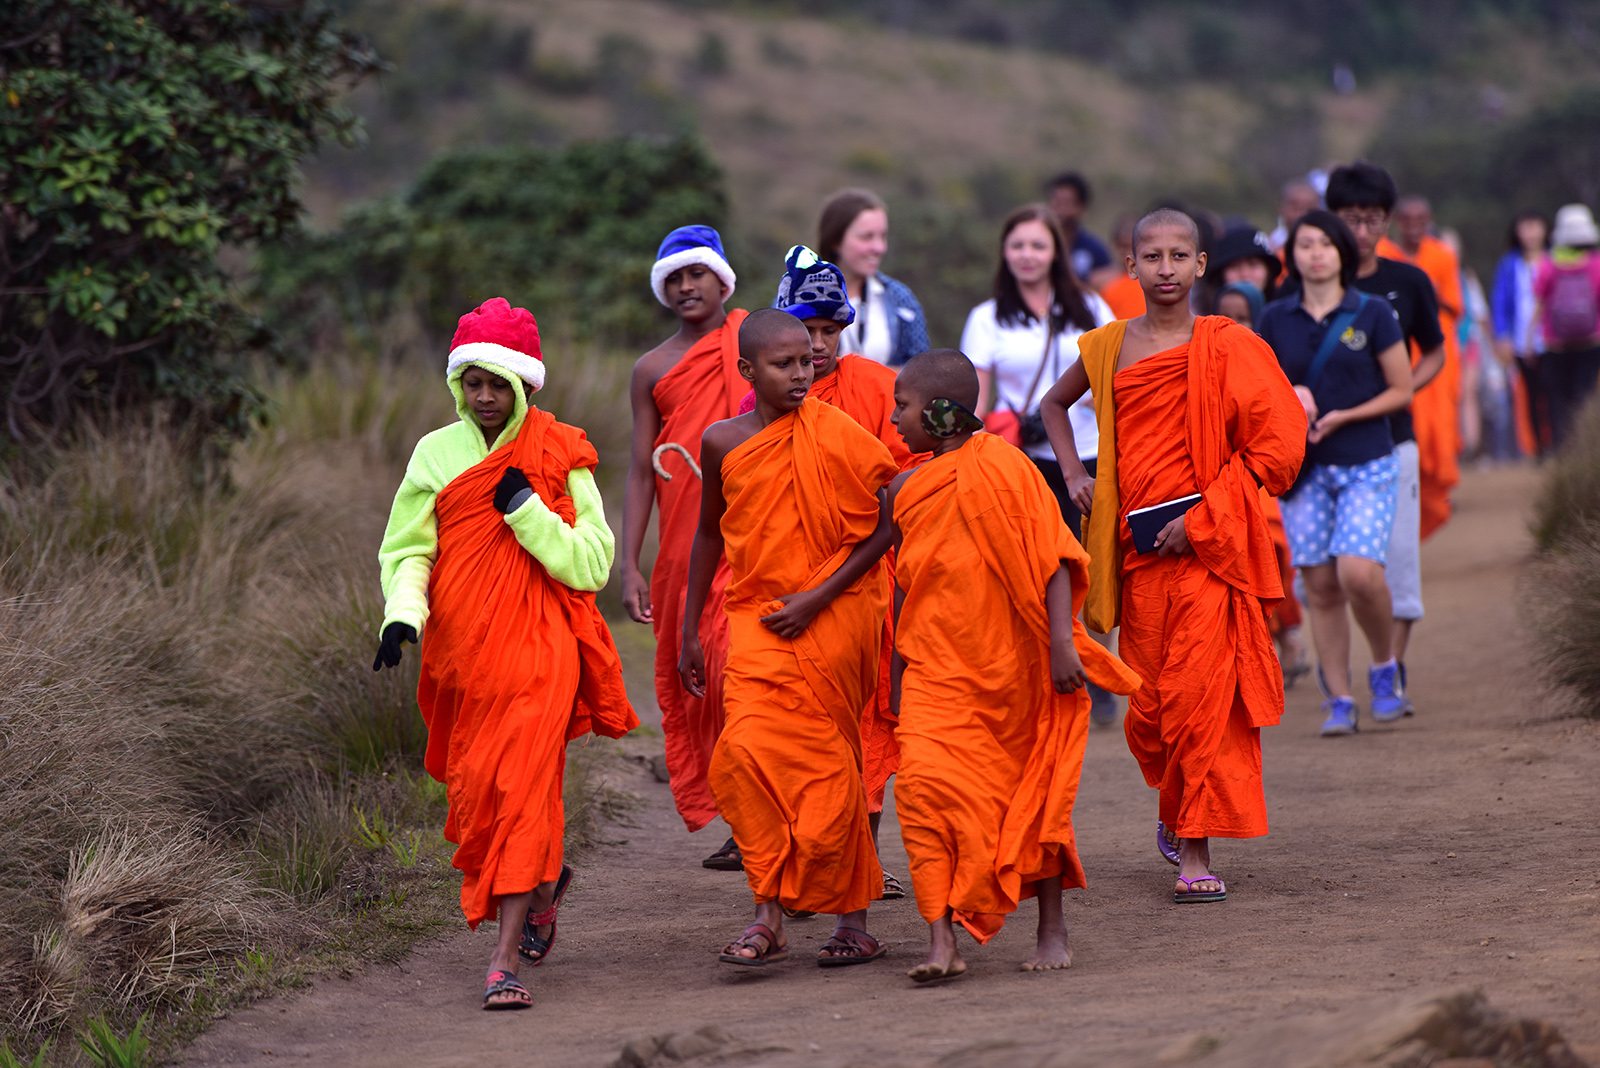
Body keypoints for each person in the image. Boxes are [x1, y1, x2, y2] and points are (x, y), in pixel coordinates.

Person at [375, 298, 638, 1010]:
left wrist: (526, 512)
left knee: (522, 792)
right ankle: (546, 888)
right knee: (486, 796)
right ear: (457, 384)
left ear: (527, 386)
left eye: (499, 383)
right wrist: (402, 617)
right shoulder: (435, 453)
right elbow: (408, 549)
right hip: (462, 658)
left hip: (541, 654)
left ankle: (501, 962)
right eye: (473, 382)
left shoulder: (561, 450)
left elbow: (592, 564)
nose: (485, 396)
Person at [1038, 208, 1306, 903]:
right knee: (1153, 710)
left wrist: (1211, 514)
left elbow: (1276, 444)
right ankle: (1176, 808)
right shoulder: (1107, 347)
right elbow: (1054, 405)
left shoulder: (1229, 344)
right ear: (1130, 267)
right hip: (1142, 555)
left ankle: (1195, 850)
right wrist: (1075, 475)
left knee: (1201, 700)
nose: (1164, 269)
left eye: (1178, 256)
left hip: (1213, 554)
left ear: (1200, 266)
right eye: (1150, 257)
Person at [885, 349, 1139, 982]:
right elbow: (902, 589)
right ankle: (941, 939)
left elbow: (1054, 557)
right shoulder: (907, 488)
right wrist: (894, 672)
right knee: (920, 795)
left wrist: (1061, 642)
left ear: (942, 413)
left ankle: (1052, 928)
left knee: (1033, 796)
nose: (893, 421)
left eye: (903, 407)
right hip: (933, 672)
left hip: (1013, 668)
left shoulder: (1009, 469)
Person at [680, 309, 898, 968]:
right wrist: (691, 627)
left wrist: (818, 598)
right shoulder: (722, 441)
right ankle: (768, 912)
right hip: (754, 616)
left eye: (807, 359)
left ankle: (852, 921)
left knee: (832, 768)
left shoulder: (840, 434)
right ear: (748, 371)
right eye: (786, 363)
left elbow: (887, 524)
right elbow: (709, 533)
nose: (803, 372)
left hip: (832, 617)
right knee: (743, 756)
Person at [753, 244, 929, 899]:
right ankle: (803, 859)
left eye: (830, 331)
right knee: (800, 726)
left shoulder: (879, 386)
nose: (819, 346)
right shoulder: (772, 393)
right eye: (807, 332)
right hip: (788, 579)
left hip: (872, 578)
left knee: (871, 726)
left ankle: (863, 859)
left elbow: (909, 468)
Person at [620, 225, 749, 867]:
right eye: (672, 278)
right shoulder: (652, 368)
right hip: (682, 542)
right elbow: (643, 468)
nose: (686, 286)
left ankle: (759, 807)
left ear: (722, 279)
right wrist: (629, 562)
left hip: (753, 534)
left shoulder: (755, 342)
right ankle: (734, 810)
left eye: (695, 273)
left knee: (740, 670)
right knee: (699, 676)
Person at [1257, 211, 1414, 736]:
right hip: (1302, 469)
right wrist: (1290, 398)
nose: (1316, 253)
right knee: (1320, 585)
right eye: (1305, 244)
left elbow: (1401, 390)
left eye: (1326, 243)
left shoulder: (1371, 313)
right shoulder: (1275, 319)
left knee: (1358, 573)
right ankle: (1339, 698)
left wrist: (1345, 414)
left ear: (1343, 251)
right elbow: (1257, 389)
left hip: (1367, 459)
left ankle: (1384, 666)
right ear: (1292, 254)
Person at [964, 204, 1119, 726]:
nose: (1027, 255)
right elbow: (978, 400)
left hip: (1090, 451)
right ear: (1004, 253)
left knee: (1095, 561)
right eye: (1017, 245)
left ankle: (1097, 668)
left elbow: (1115, 380)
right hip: (1023, 459)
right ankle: (1049, 665)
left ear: (1056, 251)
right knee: (1042, 564)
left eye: (1037, 245)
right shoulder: (986, 318)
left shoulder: (1092, 308)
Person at [1320, 163, 1448, 717]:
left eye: (1372, 219)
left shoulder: (1408, 282)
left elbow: (1436, 349)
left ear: (1387, 221)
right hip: (1321, 450)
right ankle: (1343, 683)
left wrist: (1406, 389)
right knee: (1330, 572)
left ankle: (1389, 671)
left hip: (1393, 441)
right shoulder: (1310, 285)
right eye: (1351, 219)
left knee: (1394, 561)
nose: (1362, 231)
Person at [1378, 194, 1462, 540]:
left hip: (1433, 349)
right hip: (1396, 350)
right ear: (1397, 221)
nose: (1414, 227)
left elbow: (1456, 307)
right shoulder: (1382, 253)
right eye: (1407, 220)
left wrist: (1422, 292)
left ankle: (1435, 490)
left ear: (1429, 221)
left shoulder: (1442, 255)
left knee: (1438, 422)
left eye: (1420, 220)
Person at [817, 188, 930, 366]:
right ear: (835, 241)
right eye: (866, 237)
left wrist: (869, 375)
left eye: (882, 236)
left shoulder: (900, 298)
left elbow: (923, 372)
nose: (879, 248)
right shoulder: (798, 295)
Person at [1529, 203, 1600, 449]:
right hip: (1591, 341)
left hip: (1555, 344)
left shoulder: (1549, 263)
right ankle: (1583, 447)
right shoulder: (1596, 263)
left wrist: (1529, 340)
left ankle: (1562, 448)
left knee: (1558, 399)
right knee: (1584, 395)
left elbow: (1539, 303)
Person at [1490, 211, 1551, 457]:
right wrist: (1502, 335)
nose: (1531, 233)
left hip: (1552, 339)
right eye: (1526, 227)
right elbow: (1500, 302)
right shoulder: (1509, 264)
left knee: (1553, 393)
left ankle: (1558, 442)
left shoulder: (1553, 260)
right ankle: (1538, 447)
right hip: (1520, 341)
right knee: (1531, 393)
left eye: (1536, 226)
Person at [1046, 172, 1119, 289]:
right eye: (1056, 201)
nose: (1059, 209)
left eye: (1066, 203)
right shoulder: (1039, 245)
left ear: (1081, 208)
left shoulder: (1094, 249)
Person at [1209, 227, 1282, 303]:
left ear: (1269, 270)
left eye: (1253, 264)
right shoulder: (1200, 312)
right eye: (1234, 266)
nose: (1245, 275)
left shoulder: (1285, 312)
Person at [1097, 215, 1146, 320]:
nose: (1127, 253)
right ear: (1114, 245)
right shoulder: (1099, 281)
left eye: (1131, 246)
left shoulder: (1151, 278)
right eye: (1122, 246)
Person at [1268, 178, 1322, 254]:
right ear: (1281, 208)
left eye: (1310, 209)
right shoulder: (1270, 247)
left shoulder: (1326, 248)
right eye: (1296, 208)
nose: (1302, 215)